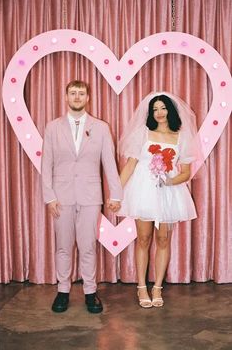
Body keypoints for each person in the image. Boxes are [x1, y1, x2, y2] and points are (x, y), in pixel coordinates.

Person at [41, 80, 122, 314]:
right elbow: (46, 164)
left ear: (88, 98)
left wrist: (116, 193)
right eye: (73, 93)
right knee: (63, 247)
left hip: (90, 197)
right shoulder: (52, 127)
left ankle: (90, 292)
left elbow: (109, 162)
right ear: (66, 97)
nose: (77, 97)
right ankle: (63, 291)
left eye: (81, 93)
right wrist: (49, 197)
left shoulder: (101, 127)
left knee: (87, 246)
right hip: (61, 197)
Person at [118, 92, 200, 308]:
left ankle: (157, 287)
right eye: (155, 109)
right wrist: (115, 193)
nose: (159, 113)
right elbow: (130, 166)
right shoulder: (143, 134)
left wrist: (168, 181)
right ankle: (142, 287)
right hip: (143, 190)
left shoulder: (181, 137)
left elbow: (185, 173)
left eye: (163, 108)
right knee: (143, 239)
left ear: (170, 111)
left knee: (163, 240)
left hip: (168, 192)